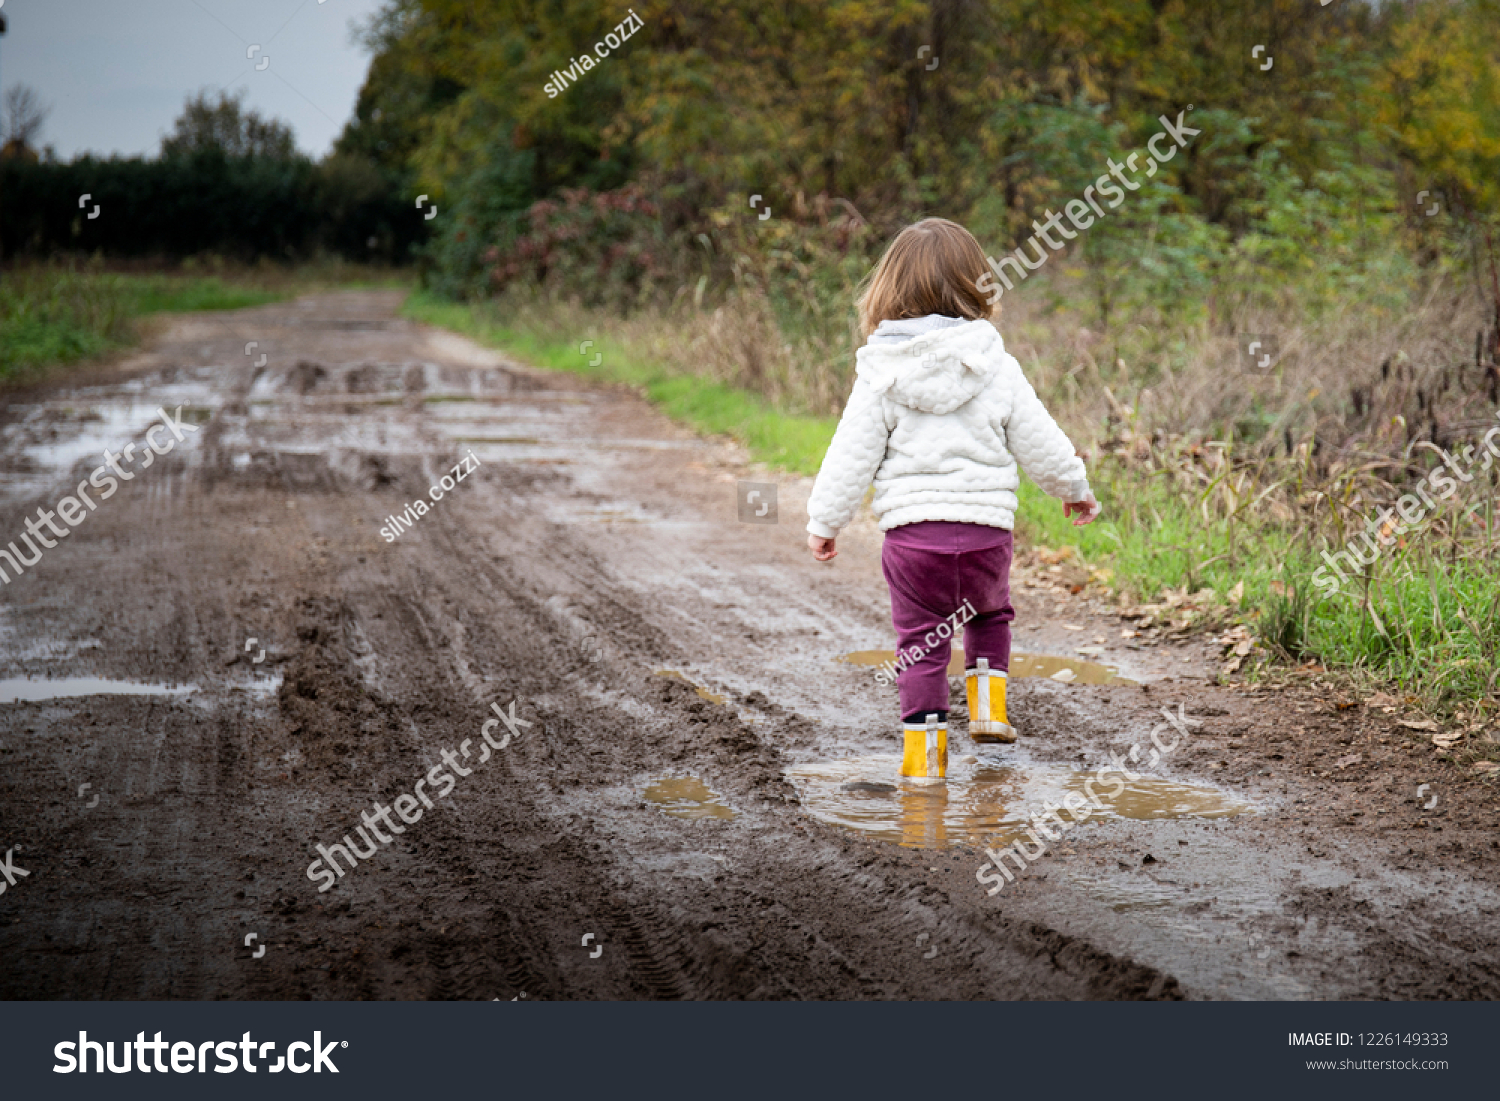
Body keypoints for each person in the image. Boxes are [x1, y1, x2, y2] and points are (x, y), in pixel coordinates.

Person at [805, 217, 1100, 781]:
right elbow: (1041, 440)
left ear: (888, 289)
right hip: (986, 536)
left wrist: (825, 520)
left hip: (914, 542)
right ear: (975, 284)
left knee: (920, 644)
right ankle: (989, 710)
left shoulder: (880, 373)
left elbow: (851, 455)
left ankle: (924, 762)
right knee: (992, 614)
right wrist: (1074, 489)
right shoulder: (995, 365)